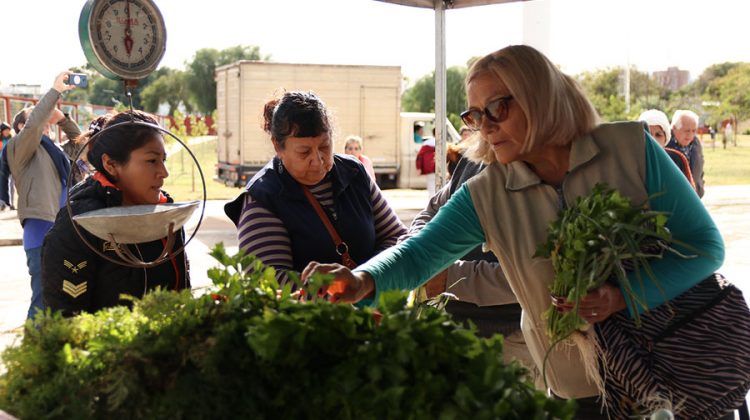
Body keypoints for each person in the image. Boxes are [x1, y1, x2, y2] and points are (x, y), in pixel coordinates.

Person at [302, 45, 725, 418]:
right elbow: (417, 255)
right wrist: (361, 280)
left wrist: (621, 297)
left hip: (679, 371)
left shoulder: (630, 148)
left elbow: (705, 248)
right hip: (584, 394)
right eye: (473, 114)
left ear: (540, 98)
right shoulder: (486, 194)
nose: (484, 126)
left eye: (498, 108)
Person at [224, 91, 407, 287]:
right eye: (304, 152)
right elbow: (265, 283)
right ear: (278, 147)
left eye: (325, 147)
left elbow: (396, 238)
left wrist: (366, 279)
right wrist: (341, 290)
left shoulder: (353, 173)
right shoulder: (263, 196)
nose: (317, 160)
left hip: (371, 310)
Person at [401, 149, 536, 386]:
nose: (482, 125)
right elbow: (433, 210)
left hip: (511, 335)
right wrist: (417, 245)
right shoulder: (474, 158)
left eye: (492, 112)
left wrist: (450, 276)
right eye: (472, 117)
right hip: (457, 327)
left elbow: (532, 276)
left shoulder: (537, 171)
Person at [42, 110, 190, 317]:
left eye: (163, 160)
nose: (164, 172)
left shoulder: (167, 213)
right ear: (111, 164)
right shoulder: (78, 224)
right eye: (152, 161)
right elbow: (67, 321)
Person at [1, 72, 81, 319]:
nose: (46, 122)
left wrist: (62, 119)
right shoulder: (19, 149)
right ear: (21, 128)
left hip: (63, 233)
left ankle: (53, 348)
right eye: (41, 119)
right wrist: (54, 91)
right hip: (40, 234)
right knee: (42, 298)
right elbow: (35, 123)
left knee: (66, 299)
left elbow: (80, 143)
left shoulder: (55, 152)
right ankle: (32, 349)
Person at [638, 109, 696, 191]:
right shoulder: (629, 160)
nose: (652, 139)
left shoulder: (677, 159)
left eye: (658, 135)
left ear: (665, 139)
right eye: (647, 134)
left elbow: (688, 195)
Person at [666, 110, 705, 198]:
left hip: (695, 197)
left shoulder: (696, 143)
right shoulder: (665, 145)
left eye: (694, 131)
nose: (690, 135)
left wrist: (700, 187)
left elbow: (700, 168)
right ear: (674, 128)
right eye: (687, 131)